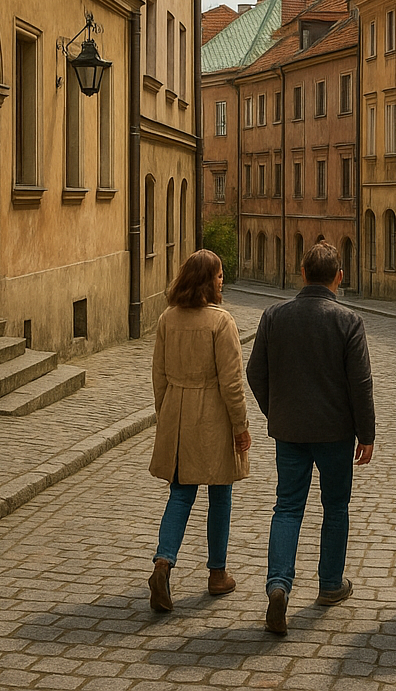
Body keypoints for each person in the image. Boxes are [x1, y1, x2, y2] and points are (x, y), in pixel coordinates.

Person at [247, 241, 375, 636]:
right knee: (335, 507)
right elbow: (361, 384)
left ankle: (278, 585)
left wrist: (277, 410)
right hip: (335, 432)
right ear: (339, 276)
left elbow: (255, 373)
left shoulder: (273, 316)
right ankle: (330, 585)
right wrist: (366, 433)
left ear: (302, 274)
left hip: (290, 432)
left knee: (287, 507)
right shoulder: (348, 321)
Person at [147, 249, 251, 613]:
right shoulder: (221, 323)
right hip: (213, 418)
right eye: (220, 276)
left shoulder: (167, 319)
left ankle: (163, 563)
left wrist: (167, 412)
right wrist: (241, 426)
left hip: (177, 412)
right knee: (220, 495)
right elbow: (232, 383)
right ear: (207, 281)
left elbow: (158, 375)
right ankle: (217, 573)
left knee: (180, 494)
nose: (222, 281)